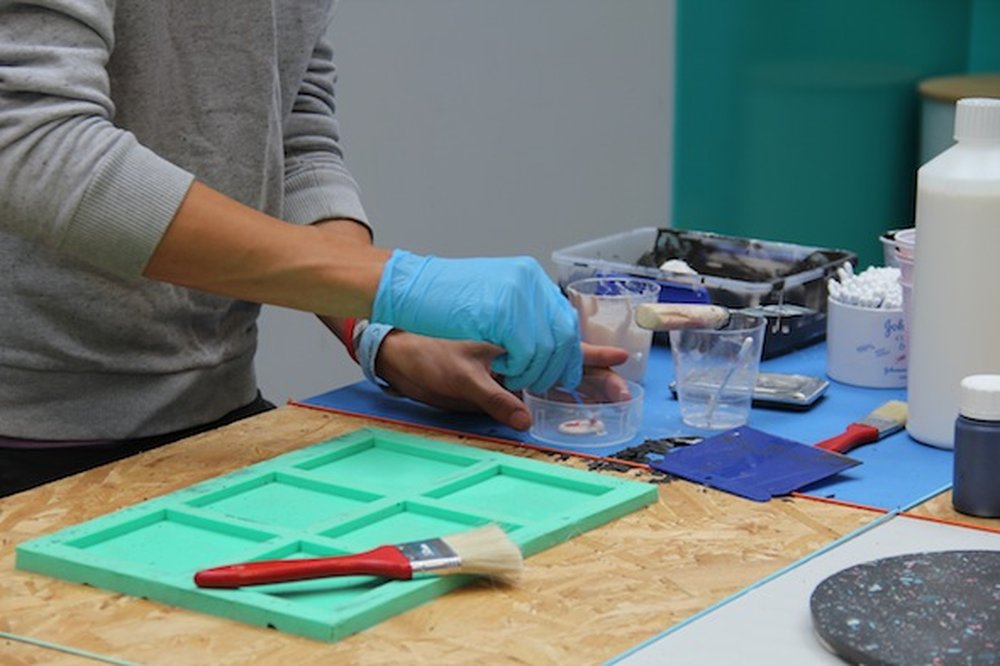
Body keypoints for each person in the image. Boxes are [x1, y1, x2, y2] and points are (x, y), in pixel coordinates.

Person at [0, 1, 629, 497]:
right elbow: (32, 146)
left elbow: (293, 136)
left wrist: (379, 326)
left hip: (214, 419)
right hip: (27, 442)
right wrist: (396, 282)